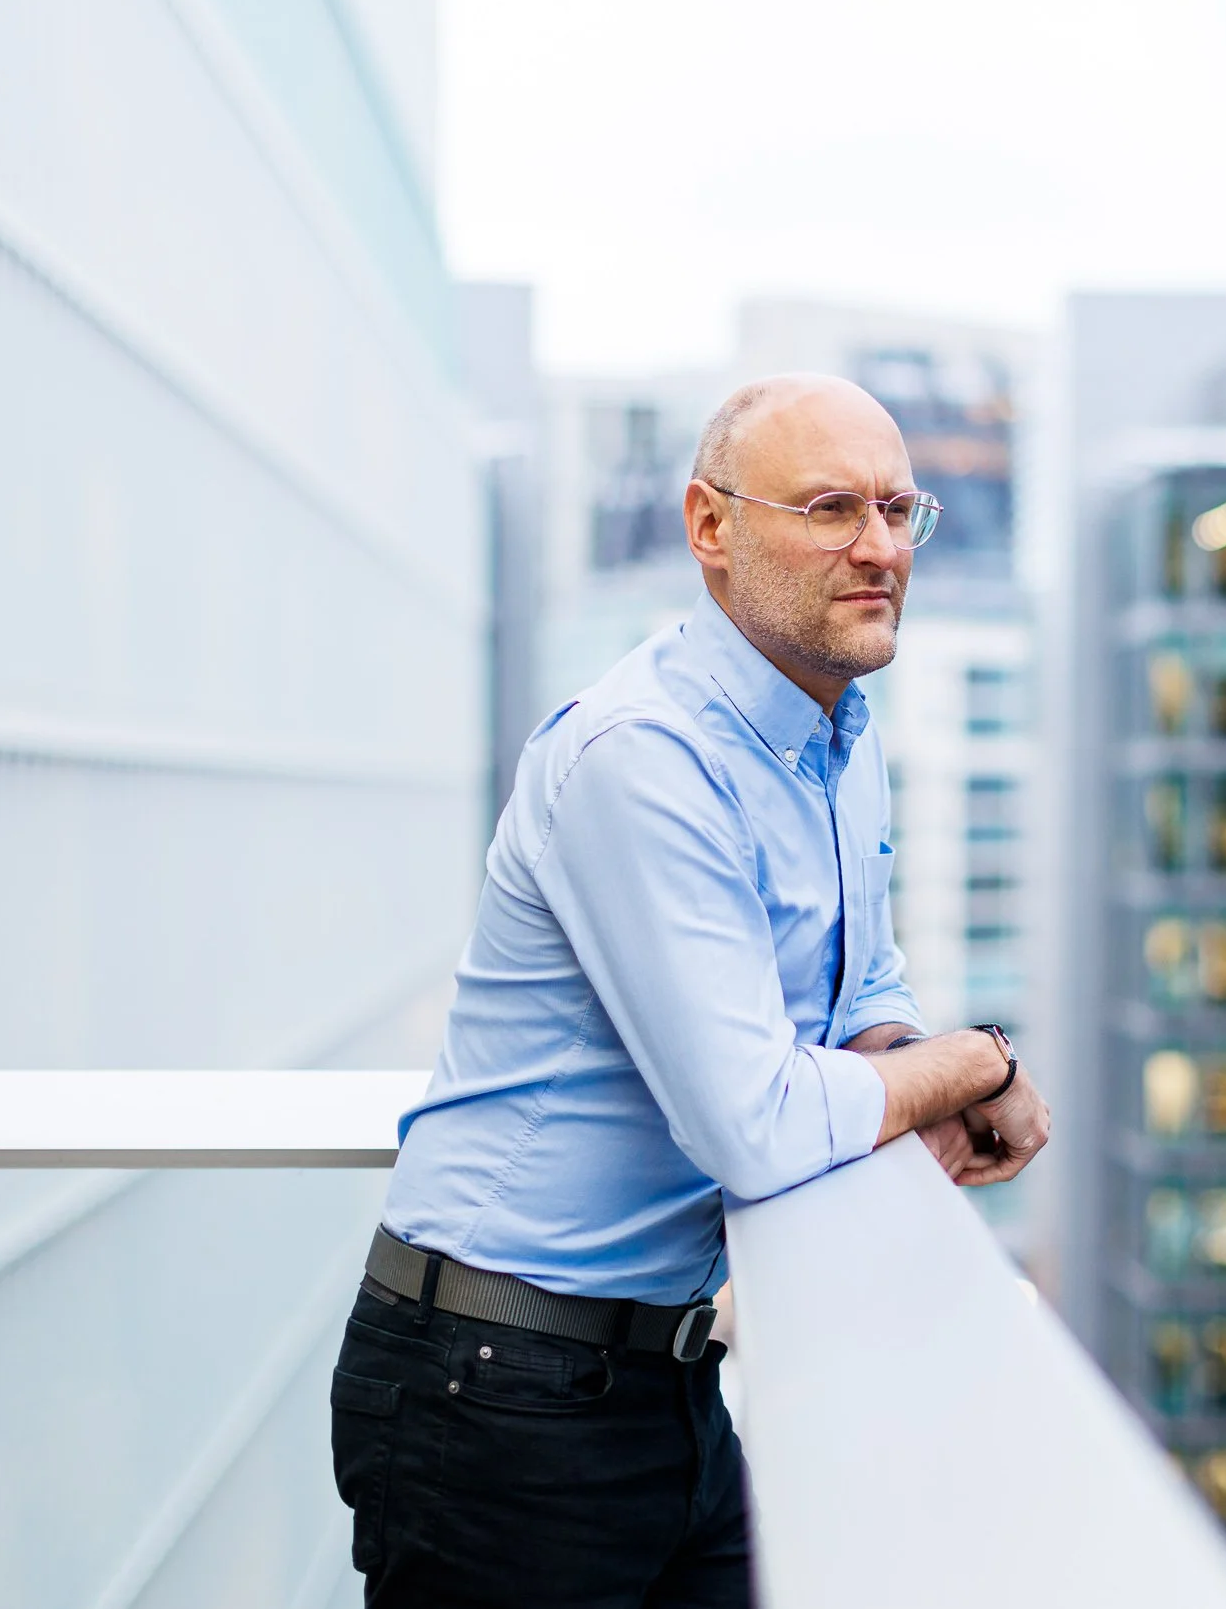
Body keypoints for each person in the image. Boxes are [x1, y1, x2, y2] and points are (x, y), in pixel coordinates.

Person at [329, 373, 1053, 1607]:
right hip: (496, 1390)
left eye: (897, 508)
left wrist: (905, 1055)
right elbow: (753, 1123)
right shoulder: (642, 757)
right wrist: (976, 1060)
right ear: (710, 526)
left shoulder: (838, 730)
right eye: (831, 508)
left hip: (663, 1373)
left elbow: (860, 988)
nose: (879, 547)